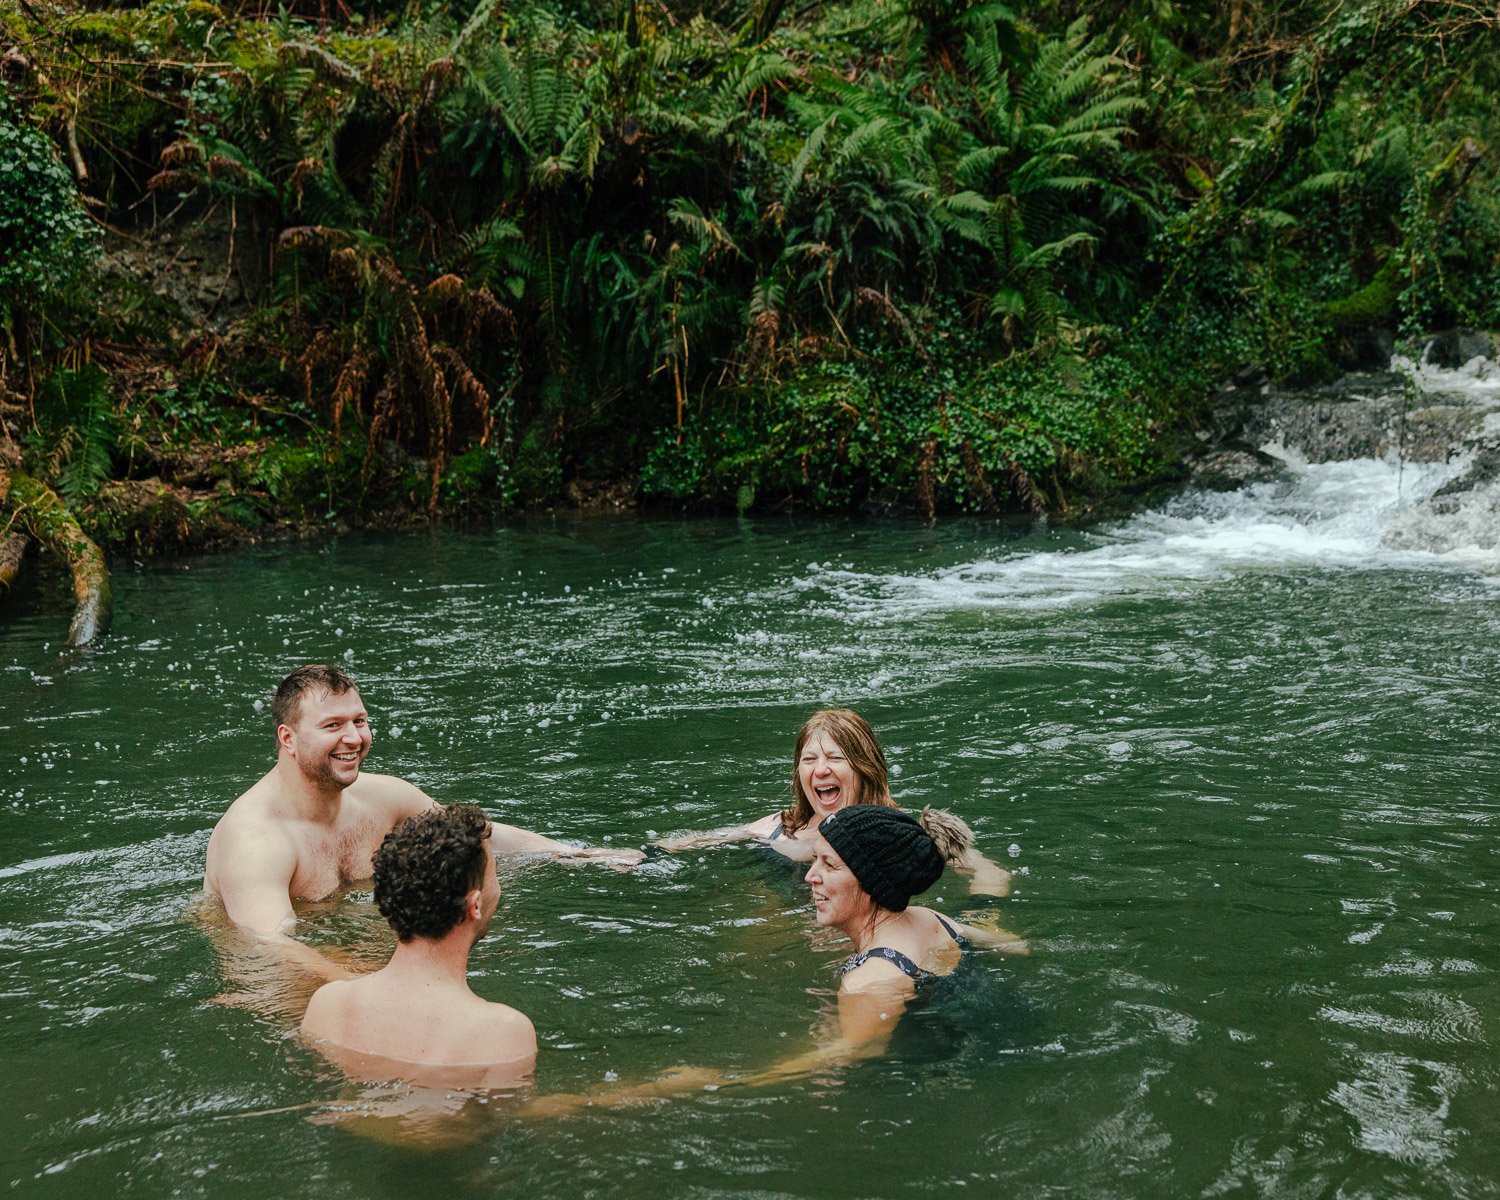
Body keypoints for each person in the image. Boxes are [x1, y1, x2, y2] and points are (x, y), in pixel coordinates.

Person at [204, 664, 642, 979]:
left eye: (360, 721)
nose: (354, 738)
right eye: (333, 725)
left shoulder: (384, 797)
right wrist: (376, 987)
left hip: (362, 953)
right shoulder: (256, 840)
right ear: (288, 738)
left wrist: (580, 855)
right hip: (283, 987)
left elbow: (471, 836)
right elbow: (268, 946)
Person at [729, 803, 1027, 1088]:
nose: (810, 876)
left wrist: (719, 1082)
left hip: (954, 1079)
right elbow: (1016, 947)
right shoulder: (931, 918)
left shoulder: (870, 978)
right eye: (814, 859)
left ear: (870, 881)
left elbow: (854, 1053)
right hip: (1006, 1044)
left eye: (829, 865)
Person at [300, 805, 537, 1087]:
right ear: (474, 905)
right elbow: (509, 1117)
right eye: (494, 876)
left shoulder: (327, 1005)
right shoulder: (502, 1032)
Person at [655, 708, 1011, 895]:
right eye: (809, 760)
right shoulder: (782, 824)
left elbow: (989, 871)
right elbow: (705, 839)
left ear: (864, 767)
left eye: (834, 758)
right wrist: (643, 855)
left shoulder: (898, 833)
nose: (820, 770)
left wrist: (981, 916)